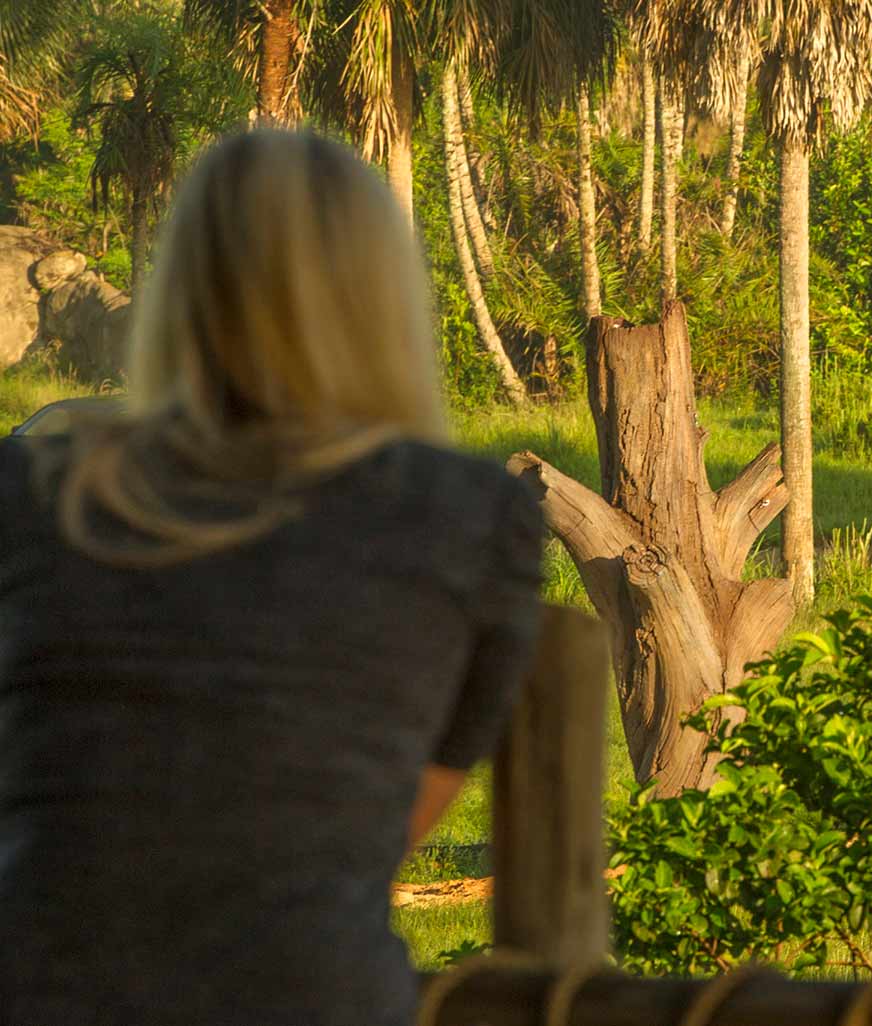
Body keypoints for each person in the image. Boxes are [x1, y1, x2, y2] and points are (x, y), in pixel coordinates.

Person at [0, 131, 545, 1026]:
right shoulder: (472, 516)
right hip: (312, 996)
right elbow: (378, 825)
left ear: (181, 286)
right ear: (384, 295)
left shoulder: (34, 491)